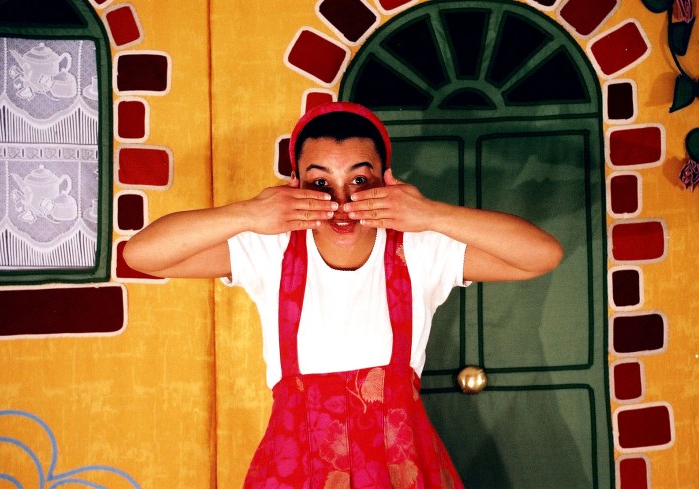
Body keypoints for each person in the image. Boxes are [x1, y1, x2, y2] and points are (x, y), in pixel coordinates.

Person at [124, 102, 563, 488]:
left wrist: (431, 213)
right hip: (296, 473)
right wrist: (248, 213)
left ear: (385, 180)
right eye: (320, 184)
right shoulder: (270, 250)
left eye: (359, 180)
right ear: (295, 183)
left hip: (402, 472)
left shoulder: (418, 249)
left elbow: (542, 255)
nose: (340, 202)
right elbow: (142, 255)